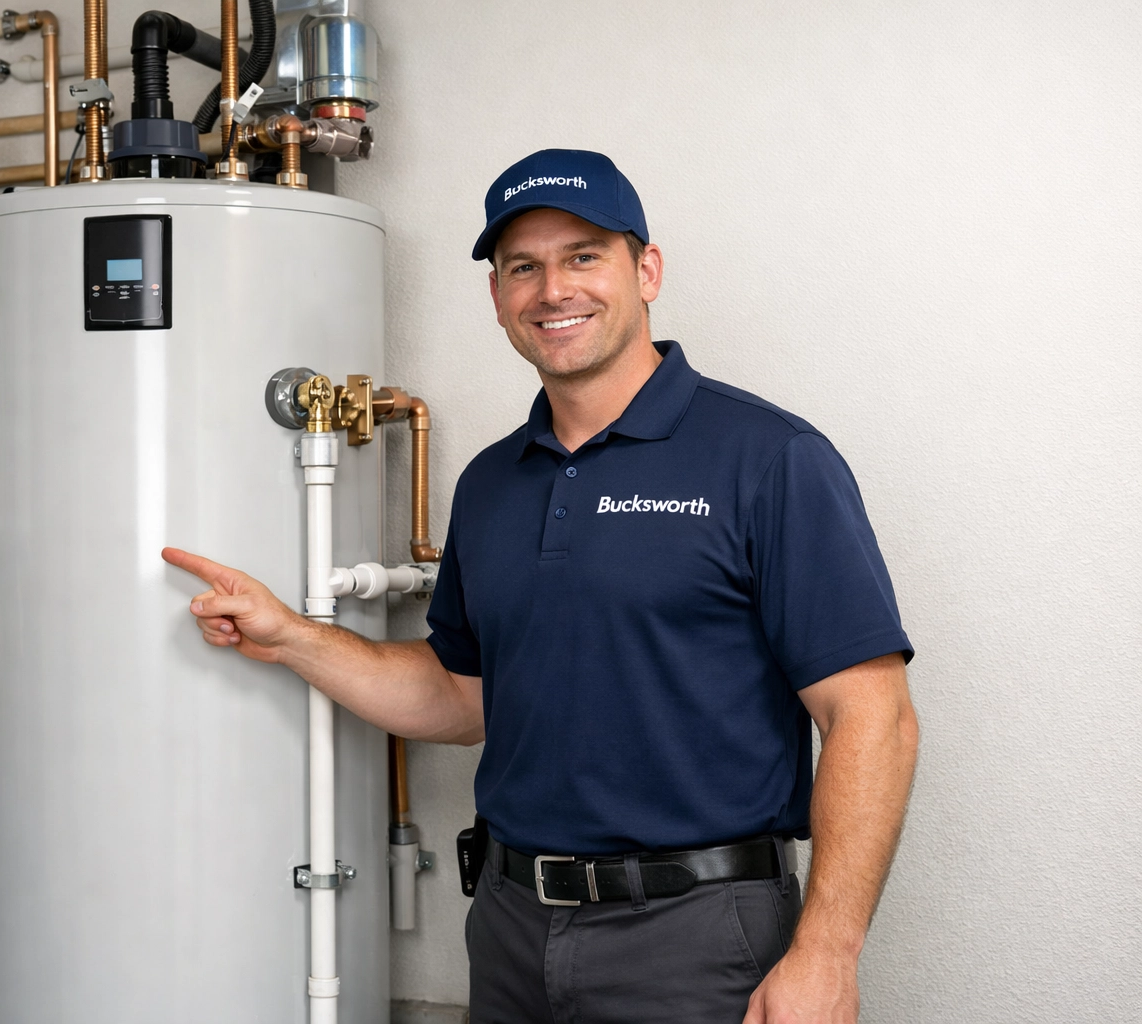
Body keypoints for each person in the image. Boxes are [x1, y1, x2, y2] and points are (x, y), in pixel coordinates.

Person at [163, 148, 918, 1024]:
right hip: (514, 930)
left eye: (584, 256)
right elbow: (461, 695)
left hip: (699, 938)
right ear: (497, 299)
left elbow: (873, 716)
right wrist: (291, 634)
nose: (553, 289)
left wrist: (827, 952)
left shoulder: (769, 460)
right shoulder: (492, 484)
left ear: (648, 271)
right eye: (523, 266)